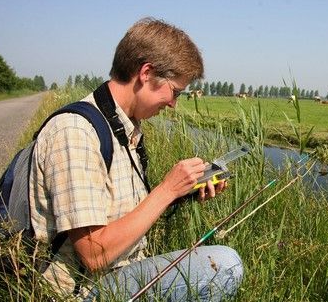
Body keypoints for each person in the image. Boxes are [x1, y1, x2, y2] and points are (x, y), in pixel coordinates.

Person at [29, 17, 243, 301]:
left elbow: (124, 214)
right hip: (82, 289)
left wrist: (181, 193)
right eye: (175, 92)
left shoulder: (124, 127)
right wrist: (165, 190)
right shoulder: (77, 132)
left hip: (118, 273)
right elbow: (94, 254)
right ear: (146, 73)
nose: (173, 104)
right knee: (225, 264)